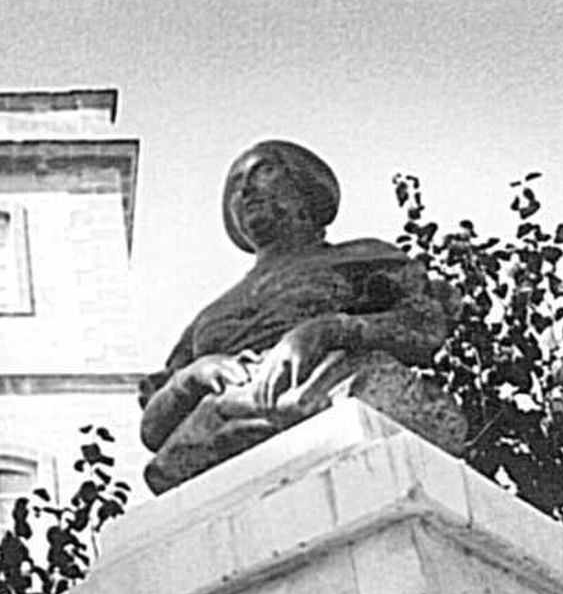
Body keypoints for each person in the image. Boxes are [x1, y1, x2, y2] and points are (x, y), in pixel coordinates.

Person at [139, 140, 463, 493]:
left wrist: (328, 330)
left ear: (303, 186)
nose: (245, 190)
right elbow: (153, 431)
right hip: (221, 419)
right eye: (234, 186)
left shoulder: (361, 257)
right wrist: (192, 377)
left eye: (264, 171)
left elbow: (424, 326)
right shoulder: (209, 317)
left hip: (330, 384)